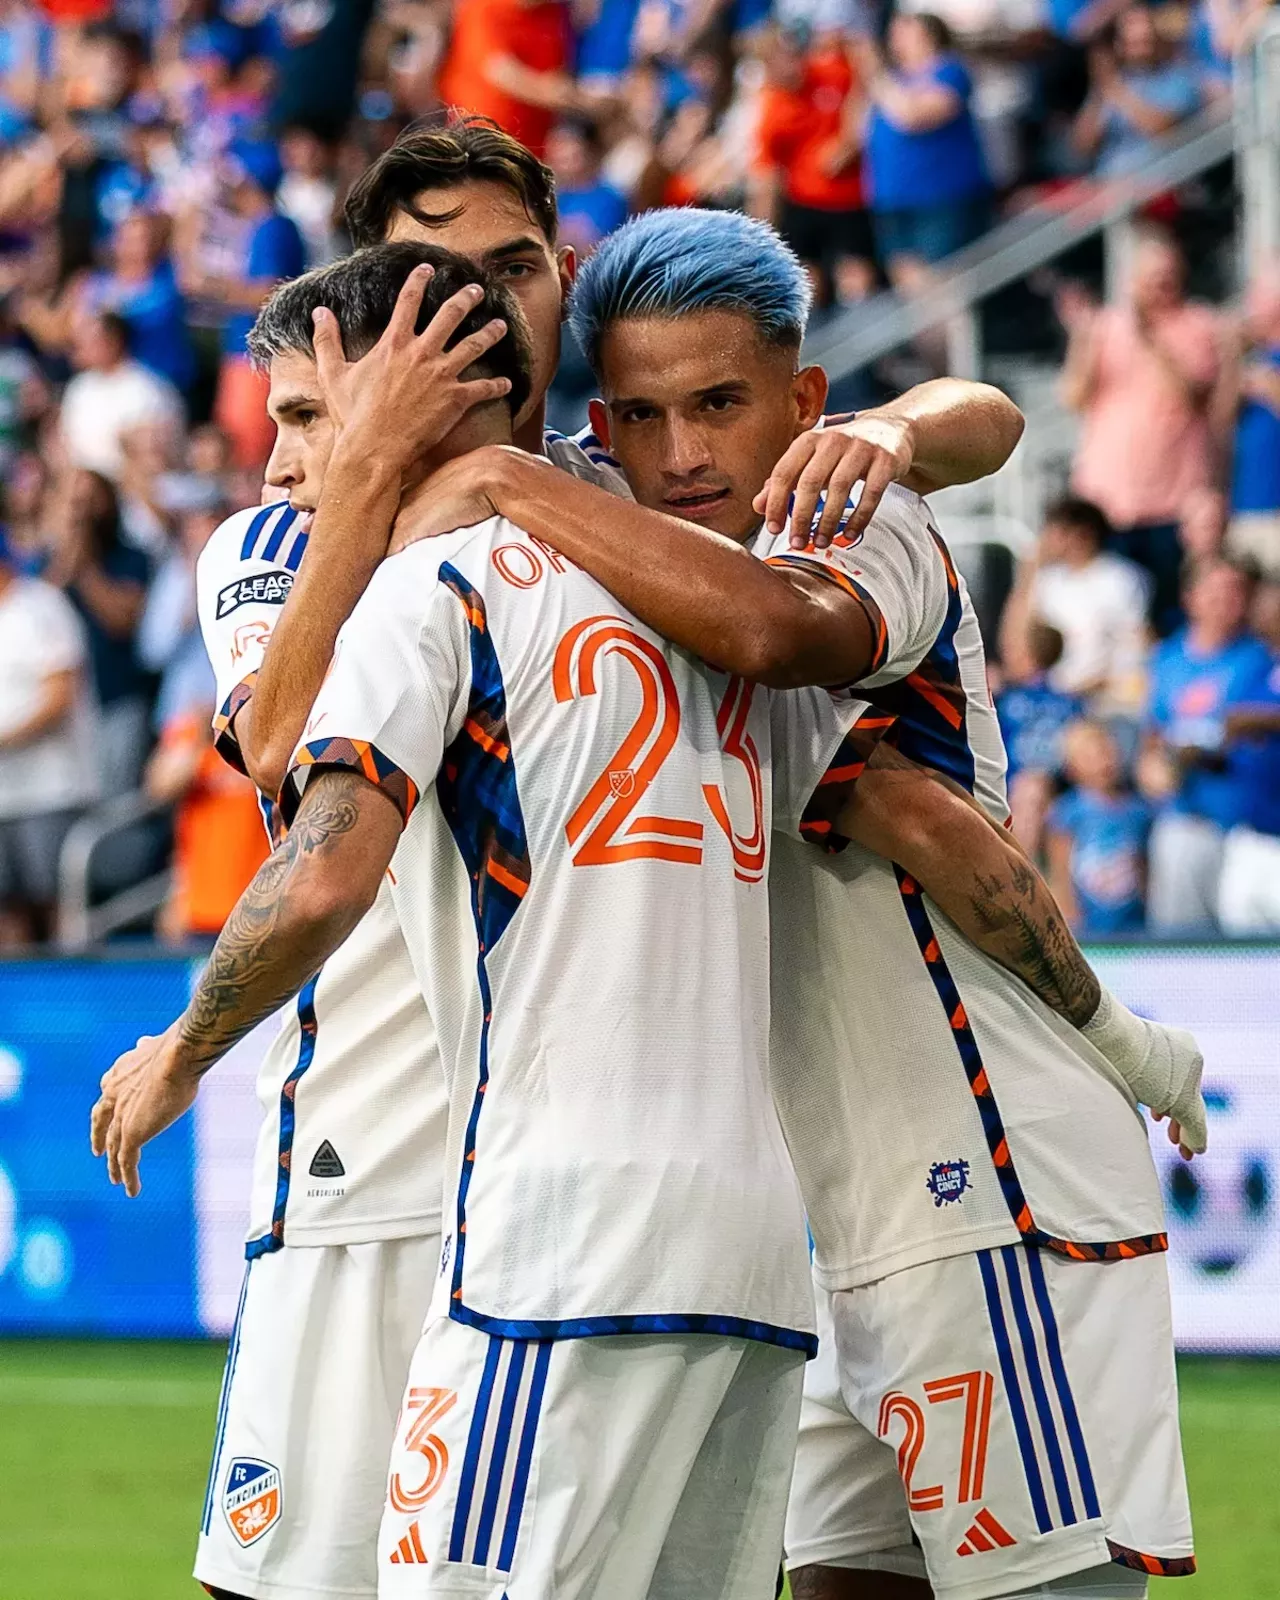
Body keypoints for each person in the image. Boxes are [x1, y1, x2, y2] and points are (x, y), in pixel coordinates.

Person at [404, 206, 1200, 1597]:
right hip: (832, 1224)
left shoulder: (850, 516)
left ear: (805, 403)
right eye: (645, 416)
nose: (686, 451)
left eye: (722, 403)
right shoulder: (636, 546)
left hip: (985, 1183)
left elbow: (859, 710)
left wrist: (896, 435)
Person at [1062, 227, 1225, 633]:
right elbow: (1074, 397)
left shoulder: (1198, 325)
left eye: (1167, 277)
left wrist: (1151, 338)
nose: (1159, 287)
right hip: (1109, 500)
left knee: (1171, 613)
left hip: (1172, 503)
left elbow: (1192, 395)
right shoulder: (1106, 328)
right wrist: (1083, 338)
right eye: (1151, 277)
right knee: (1113, 617)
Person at [1140, 558, 1271, 934]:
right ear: (1190, 597)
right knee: (1184, 943)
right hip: (1189, 820)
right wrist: (1155, 768)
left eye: (1236, 591)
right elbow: (1153, 737)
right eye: (1215, 590)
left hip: (1251, 829)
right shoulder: (1166, 659)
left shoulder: (1261, 657)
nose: (1226, 600)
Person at [0, 528, 99, 946]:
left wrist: (3, 739)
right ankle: (17, 1010)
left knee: (56, 905)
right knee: (7, 908)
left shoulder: (39, 605)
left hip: (52, 791)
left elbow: (61, 693)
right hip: (5, 795)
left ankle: (71, 1005)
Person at [191, 137, 306, 469]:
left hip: (258, 362)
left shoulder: (275, 227)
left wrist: (213, 287)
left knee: (246, 457)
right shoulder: (261, 227)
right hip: (244, 356)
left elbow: (270, 293)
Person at [861, 12, 991, 291]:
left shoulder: (950, 71)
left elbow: (914, 116)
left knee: (946, 281)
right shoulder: (893, 80)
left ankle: (955, 335)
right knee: (910, 285)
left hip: (940, 198)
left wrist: (876, 75)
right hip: (893, 199)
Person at [42, 467, 151, 798]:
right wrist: (68, 551)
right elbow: (36, 610)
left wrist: (87, 566)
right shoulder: (50, 561)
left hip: (119, 700)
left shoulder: (132, 557)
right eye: (75, 502)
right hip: (73, 713)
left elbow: (122, 622)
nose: (84, 509)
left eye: (92, 499)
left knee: (115, 803)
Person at [751, 22, 874, 309]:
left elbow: (864, 84)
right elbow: (767, 176)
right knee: (807, 279)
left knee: (856, 277)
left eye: (791, 56)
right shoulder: (772, 109)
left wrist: (848, 141)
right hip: (804, 201)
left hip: (849, 197)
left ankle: (862, 340)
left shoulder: (831, 73)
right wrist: (758, 236)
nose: (789, 66)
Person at [1000, 496, 1150, 720]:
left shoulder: (1121, 579)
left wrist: (1102, 683)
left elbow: (1137, 644)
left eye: (1056, 531)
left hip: (1105, 702)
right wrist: (1029, 570)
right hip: (1054, 701)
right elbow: (1015, 647)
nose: (1047, 539)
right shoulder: (1048, 581)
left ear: (1082, 533)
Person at [1072, 2, 1202, 177]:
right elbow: (1083, 145)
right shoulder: (1111, 82)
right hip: (1109, 179)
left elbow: (1163, 129)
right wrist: (1100, 92)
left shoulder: (1179, 78)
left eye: (1146, 41)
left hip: (1157, 183)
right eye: (1134, 43)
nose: (1142, 48)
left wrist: (1117, 91)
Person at [1047, 719, 1151, 936]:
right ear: (1071, 769)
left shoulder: (1138, 810)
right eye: (1090, 757)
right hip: (1088, 927)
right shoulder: (1067, 811)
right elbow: (1060, 873)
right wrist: (1070, 917)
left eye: (1105, 753)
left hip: (1133, 925)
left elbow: (1143, 866)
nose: (1102, 763)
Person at [58, 306, 184, 481]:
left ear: (114, 341)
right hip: (85, 488)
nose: (80, 348)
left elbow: (158, 456)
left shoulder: (149, 389)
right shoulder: (78, 388)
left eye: (89, 341)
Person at [995, 620, 1084, 855]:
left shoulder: (1068, 704)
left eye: (1015, 651)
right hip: (1007, 787)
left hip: (1053, 789)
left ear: (1030, 656)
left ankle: (1022, 871)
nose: (1007, 656)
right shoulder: (1001, 698)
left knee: (1032, 792)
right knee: (1028, 792)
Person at [1221, 264, 1280, 581]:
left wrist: (1271, 387)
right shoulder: (1252, 359)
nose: (1248, 306)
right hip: (1246, 509)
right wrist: (1231, 356)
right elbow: (1221, 419)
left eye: (1257, 296)